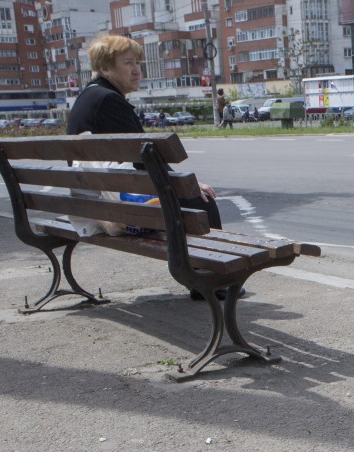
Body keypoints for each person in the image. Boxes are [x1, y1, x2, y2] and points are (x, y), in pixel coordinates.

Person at [67, 34, 241, 301]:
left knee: (192, 196)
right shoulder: (108, 101)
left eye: (137, 62)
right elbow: (144, 159)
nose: (137, 69)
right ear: (104, 68)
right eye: (127, 63)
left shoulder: (90, 97)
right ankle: (211, 281)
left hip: (96, 202)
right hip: (116, 208)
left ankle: (205, 276)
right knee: (201, 201)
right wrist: (188, 185)